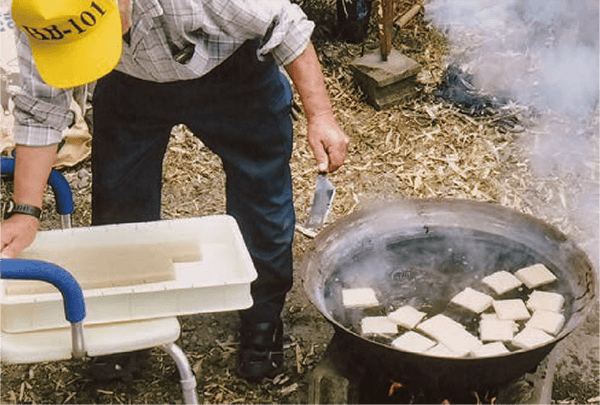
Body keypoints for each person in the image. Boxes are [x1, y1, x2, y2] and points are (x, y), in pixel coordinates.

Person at [0, 0, 349, 382]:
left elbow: (288, 25)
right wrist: (26, 210)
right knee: (119, 203)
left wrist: (321, 116)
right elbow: (40, 109)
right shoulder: (39, 14)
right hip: (128, 82)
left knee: (261, 199)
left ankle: (262, 319)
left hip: (233, 74)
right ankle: (126, 327)